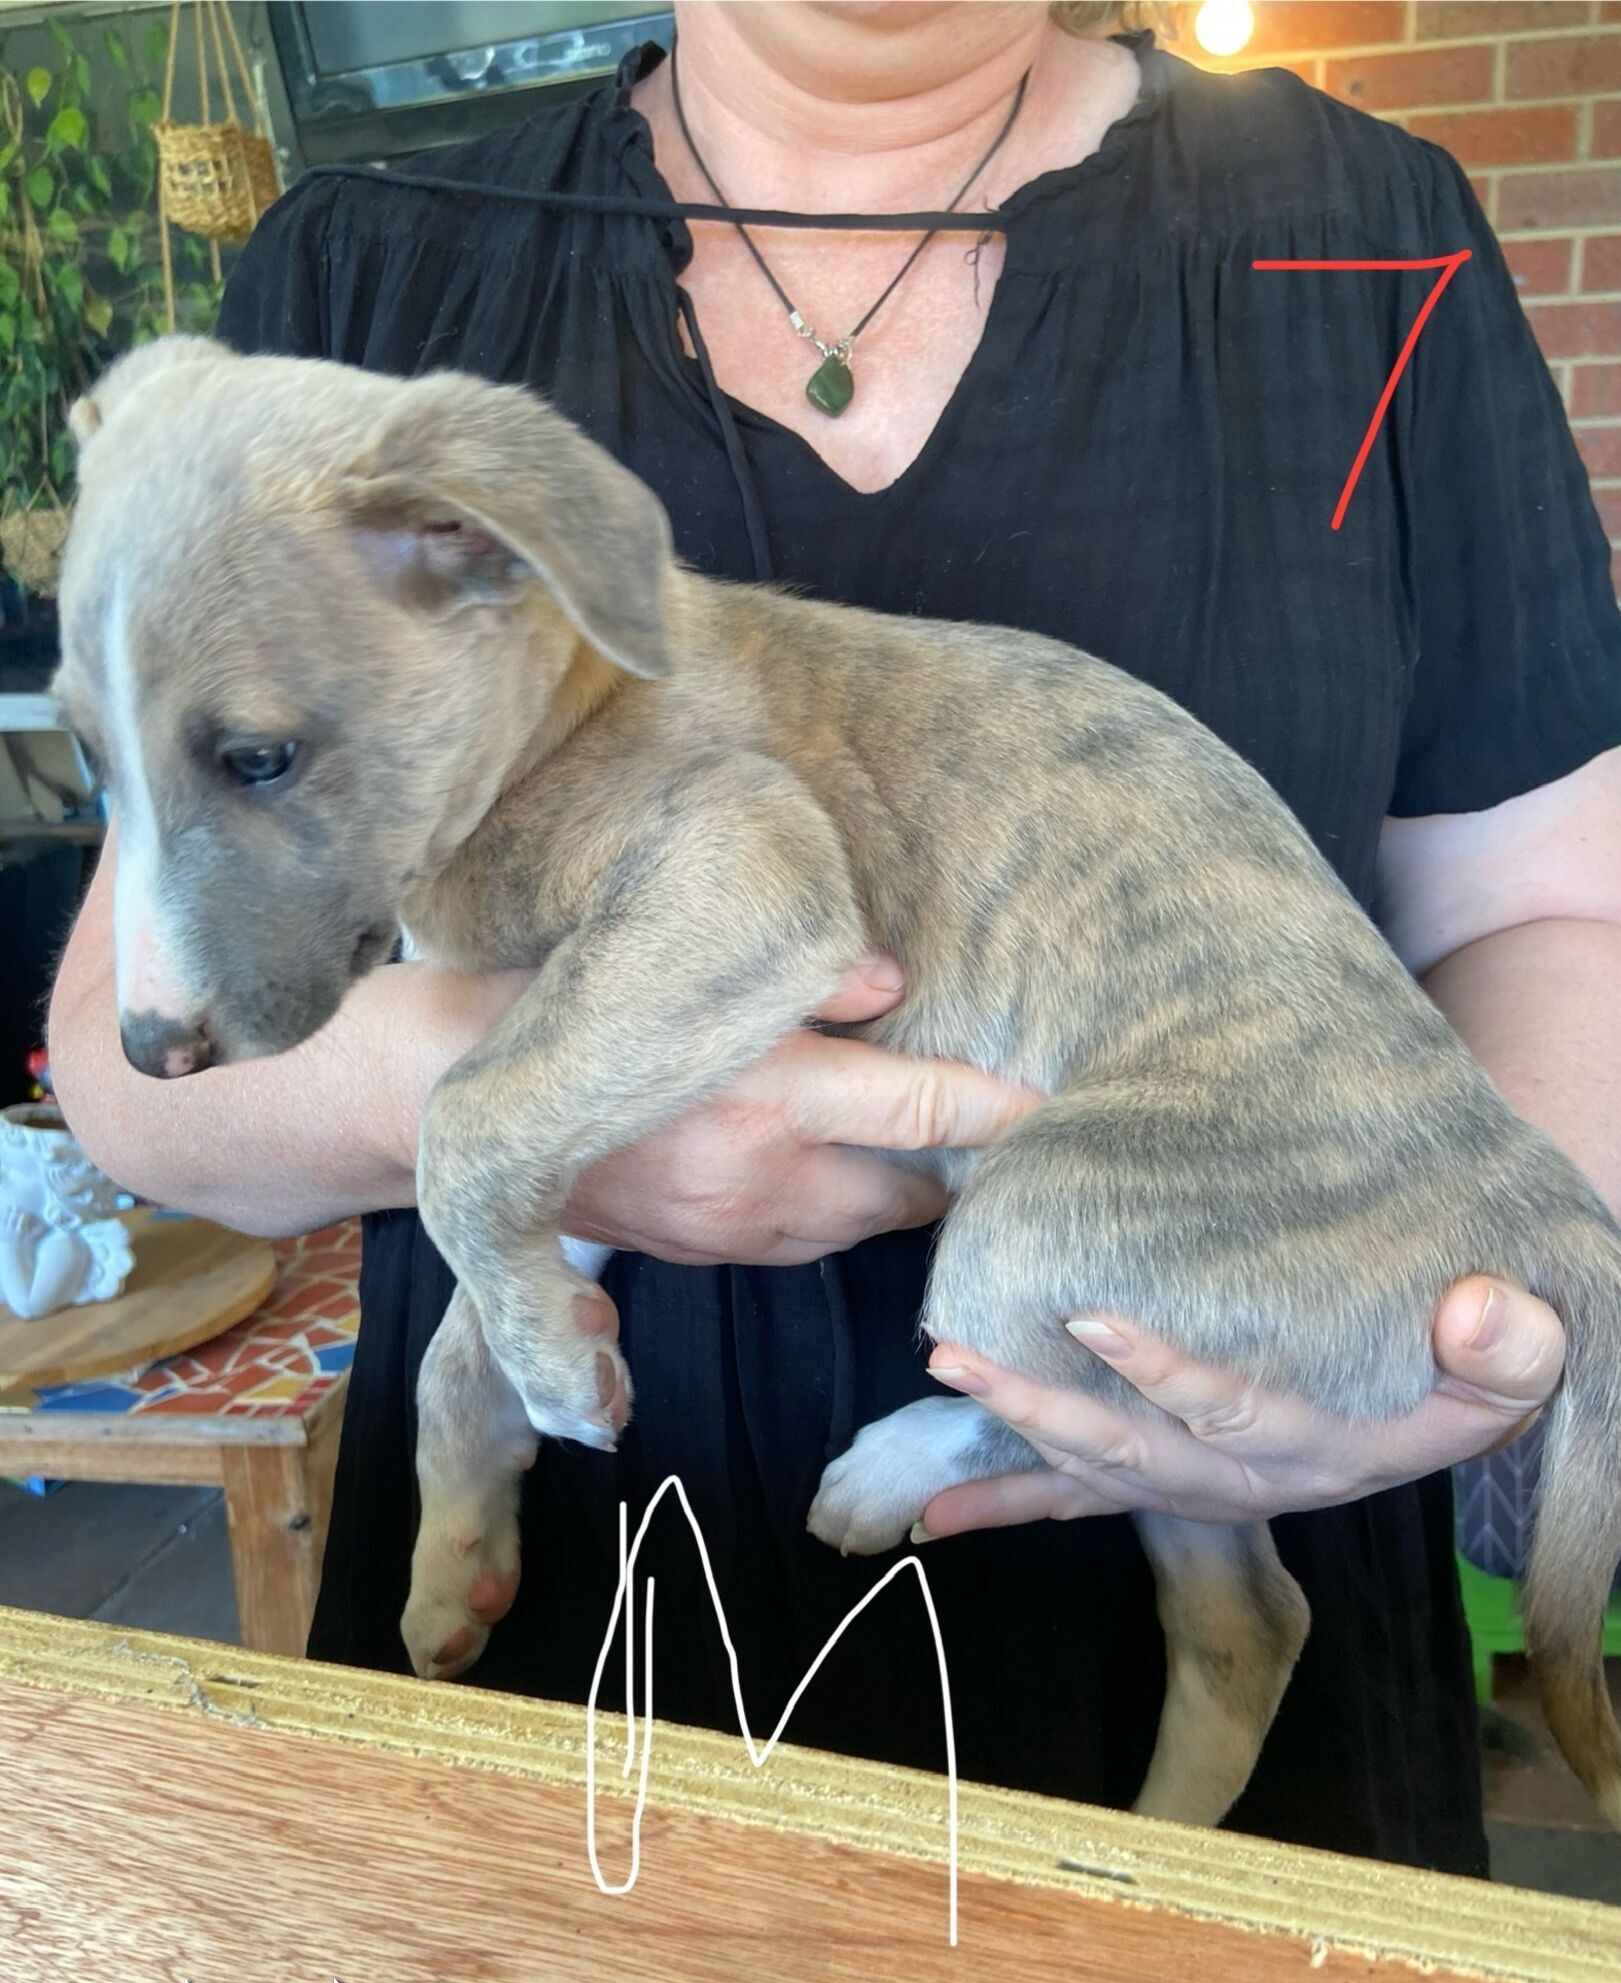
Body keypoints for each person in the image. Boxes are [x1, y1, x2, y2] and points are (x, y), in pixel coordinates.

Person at [50, 3, 1621, 1873]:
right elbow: (137, 1070)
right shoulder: (359, 259)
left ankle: (1192, 1756)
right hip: (597, 1593)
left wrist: (1444, 1345)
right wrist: (471, 1110)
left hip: (1205, 1303)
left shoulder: (1365, 236)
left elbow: (1547, 907)